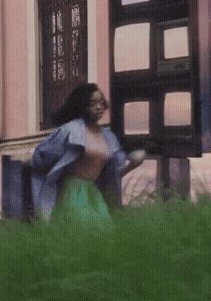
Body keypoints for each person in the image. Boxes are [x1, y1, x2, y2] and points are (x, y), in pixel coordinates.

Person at [30, 83, 145, 222]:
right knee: (79, 232)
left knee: (104, 233)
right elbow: (42, 153)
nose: (99, 107)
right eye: (93, 103)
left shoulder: (109, 137)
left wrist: (132, 165)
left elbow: (111, 176)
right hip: (73, 191)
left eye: (102, 103)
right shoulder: (71, 131)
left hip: (94, 193)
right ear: (82, 106)